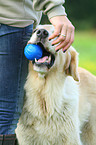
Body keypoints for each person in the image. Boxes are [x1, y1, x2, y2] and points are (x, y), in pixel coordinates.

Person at [0, 0, 75, 144]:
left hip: (12, 21)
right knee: (4, 113)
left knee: (4, 113)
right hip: (13, 18)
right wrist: (55, 10)